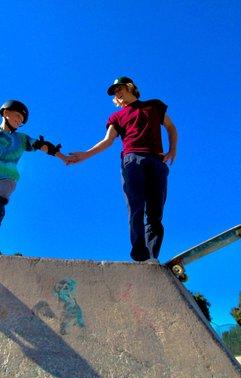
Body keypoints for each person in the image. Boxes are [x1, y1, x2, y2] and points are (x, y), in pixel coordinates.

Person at [67, 77, 178, 262]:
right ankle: (139, 252)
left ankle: (151, 257)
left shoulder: (154, 106)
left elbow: (171, 127)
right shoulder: (116, 117)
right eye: (114, 93)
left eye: (119, 89)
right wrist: (85, 154)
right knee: (135, 206)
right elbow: (108, 140)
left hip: (156, 160)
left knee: (155, 212)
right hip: (132, 160)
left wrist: (173, 149)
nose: (117, 94)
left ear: (129, 87)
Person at [0, 100, 67, 253]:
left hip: (8, 177)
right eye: (17, 116)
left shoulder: (21, 139)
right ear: (5, 113)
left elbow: (41, 146)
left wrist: (62, 157)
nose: (19, 121)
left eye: (21, 121)